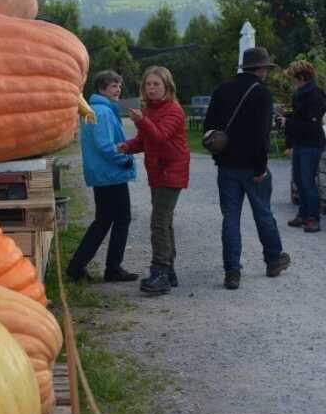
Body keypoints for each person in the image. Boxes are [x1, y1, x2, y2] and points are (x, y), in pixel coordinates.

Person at [203, 46, 290, 290]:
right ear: (262, 69)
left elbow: (209, 129)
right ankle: (273, 260)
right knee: (263, 213)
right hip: (253, 167)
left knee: (230, 218)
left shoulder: (222, 89)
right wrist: (261, 166)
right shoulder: (262, 93)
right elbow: (262, 135)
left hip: (227, 166)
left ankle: (232, 272)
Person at [117, 66, 190, 296]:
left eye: (156, 84)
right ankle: (168, 271)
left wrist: (141, 121)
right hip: (157, 171)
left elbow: (158, 136)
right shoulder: (149, 110)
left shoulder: (174, 110)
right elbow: (145, 140)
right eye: (148, 84)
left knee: (158, 222)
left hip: (172, 171)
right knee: (164, 221)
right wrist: (128, 146)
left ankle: (160, 271)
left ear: (167, 86)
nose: (151, 88)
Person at [66, 70, 138, 283]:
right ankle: (111, 268)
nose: (118, 90)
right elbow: (106, 146)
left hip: (103, 174)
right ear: (102, 88)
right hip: (111, 174)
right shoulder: (103, 112)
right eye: (114, 86)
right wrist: (123, 159)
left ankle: (78, 266)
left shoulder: (93, 109)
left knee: (104, 220)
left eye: (118, 86)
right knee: (120, 219)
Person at [282, 60, 326, 233]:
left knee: (308, 182)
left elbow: (311, 124)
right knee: (300, 181)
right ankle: (303, 214)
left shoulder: (316, 95)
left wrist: (289, 122)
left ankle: (313, 219)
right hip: (300, 142)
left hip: (312, 143)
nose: (292, 81)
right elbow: (298, 117)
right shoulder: (299, 94)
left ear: (301, 77)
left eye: (294, 78)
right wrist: (288, 120)